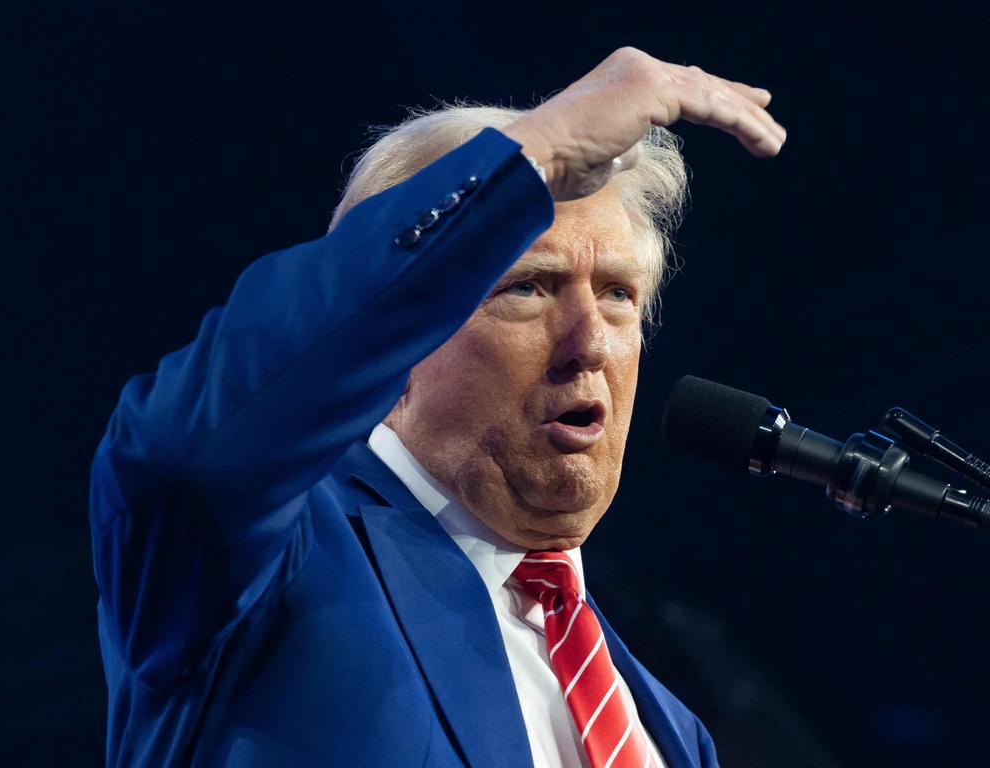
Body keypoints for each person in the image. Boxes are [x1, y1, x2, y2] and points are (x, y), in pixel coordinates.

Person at [89, 47, 785, 767]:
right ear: (397, 331)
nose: (589, 345)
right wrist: (536, 155)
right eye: (529, 287)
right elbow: (184, 458)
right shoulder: (273, 565)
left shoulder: (667, 728)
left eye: (617, 295)